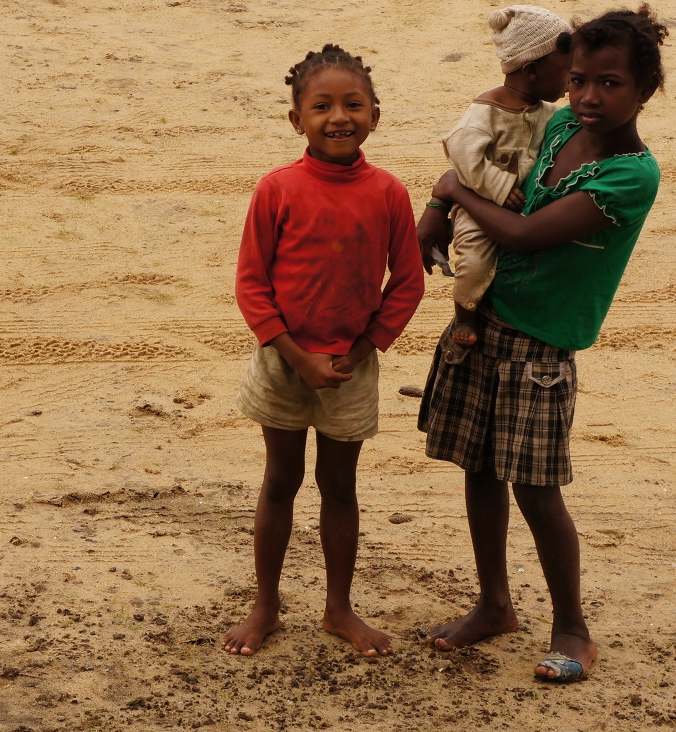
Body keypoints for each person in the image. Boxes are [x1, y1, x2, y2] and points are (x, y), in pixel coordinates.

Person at [417, 5, 665, 682]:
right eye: (579, 78)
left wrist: (450, 190)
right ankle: (494, 605)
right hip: (487, 316)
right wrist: (440, 206)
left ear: (646, 90)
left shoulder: (633, 175)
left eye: (610, 83)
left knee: (537, 487)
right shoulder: (557, 125)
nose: (588, 96)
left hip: (541, 346)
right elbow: (497, 174)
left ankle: (572, 628)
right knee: (478, 466)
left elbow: (525, 232)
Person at [223, 44, 424, 657]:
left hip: (351, 368)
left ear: (375, 115)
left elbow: (408, 282)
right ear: (297, 121)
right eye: (322, 106)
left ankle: (339, 608)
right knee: (279, 479)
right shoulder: (277, 189)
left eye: (353, 104)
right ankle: (266, 604)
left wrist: (363, 349)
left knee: (340, 487)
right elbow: (251, 284)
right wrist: (295, 353)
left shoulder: (388, 192)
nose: (339, 116)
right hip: (283, 362)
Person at [427, 5, 573, 363]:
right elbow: (461, 151)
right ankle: (465, 312)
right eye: (567, 73)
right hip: (479, 208)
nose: (570, 83)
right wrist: (499, 186)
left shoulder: (548, 112)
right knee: (474, 260)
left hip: (521, 210)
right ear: (531, 70)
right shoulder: (485, 112)